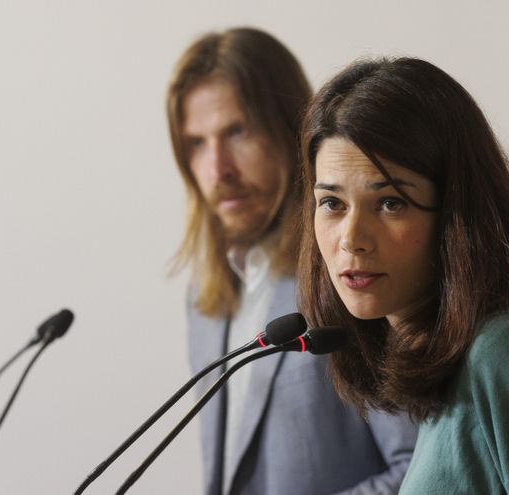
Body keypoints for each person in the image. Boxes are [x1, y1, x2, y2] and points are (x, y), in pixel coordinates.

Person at [298, 57, 509, 493]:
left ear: (456, 214)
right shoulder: (453, 362)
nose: (351, 239)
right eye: (332, 204)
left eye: (390, 203)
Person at [166, 28, 418, 495]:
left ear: (290, 129)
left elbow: (421, 469)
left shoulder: (353, 272)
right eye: (196, 143)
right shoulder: (205, 298)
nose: (217, 169)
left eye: (237, 132)